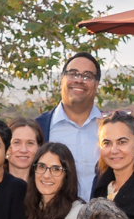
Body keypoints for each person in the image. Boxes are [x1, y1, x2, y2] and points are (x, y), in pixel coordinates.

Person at [33, 54, 105, 199]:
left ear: (96, 85)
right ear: (62, 79)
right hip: (50, 218)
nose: (79, 80)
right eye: (73, 74)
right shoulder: (39, 128)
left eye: (87, 76)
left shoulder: (110, 129)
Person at [5, 117, 43, 184]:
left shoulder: (47, 189)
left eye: (30, 143)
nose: (23, 150)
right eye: (16, 142)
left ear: (39, 147)